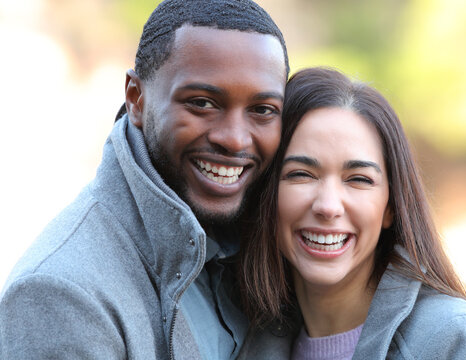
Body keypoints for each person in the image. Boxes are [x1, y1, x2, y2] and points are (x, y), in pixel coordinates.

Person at [0, 0, 288, 359]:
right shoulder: (61, 292)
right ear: (136, 98)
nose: (234, 139)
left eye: (262, 110)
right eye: (201, 103)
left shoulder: (276, 249)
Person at [238, 67, 466, 359]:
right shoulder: (239, 338)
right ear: (267, 193)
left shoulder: (455, 339)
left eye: (358, 179)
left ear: (391, 207)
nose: (328, 206)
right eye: (302, 174)